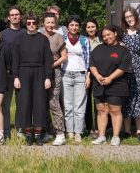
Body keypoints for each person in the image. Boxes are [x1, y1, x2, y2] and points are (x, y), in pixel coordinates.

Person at [13, 12, 53, 146]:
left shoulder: (43, 39)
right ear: (26, 23)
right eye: (29, 23)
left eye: (34, 23)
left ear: (37, 24)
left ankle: (38, 134)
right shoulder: (19, 38)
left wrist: (47, 77)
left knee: (39, 103)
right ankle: (29, 134)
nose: (31, 25)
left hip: (39, 72)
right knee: (25, 103)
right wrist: (16, 77)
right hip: (23, 72)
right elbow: (15, 59)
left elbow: (48, 60)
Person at [89, 25, 132, 146]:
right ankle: (101, 136)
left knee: (115, 110)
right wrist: (97, 76)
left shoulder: (123, 50)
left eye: (108, 34)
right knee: (101, 110)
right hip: (99, 84)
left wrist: (110, 78)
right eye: (104, 36)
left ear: (115, 33)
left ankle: (115, 136)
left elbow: (123, 67)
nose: (106, 37)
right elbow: (91, 63)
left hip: (116, 85)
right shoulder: (98, 48)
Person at [121, 6, 140, 142]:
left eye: (131, 16)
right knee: (127, 98)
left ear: (135, 16)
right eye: (127, 17)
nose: (129, 19)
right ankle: (127, 131)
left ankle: (139, 132)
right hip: (126, 70)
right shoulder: (122, 34)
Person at [62, 15, 90, 143]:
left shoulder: (84, 40)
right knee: (68, 106)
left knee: (79, 106)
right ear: (67, 26)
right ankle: (69, 132)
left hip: (80, 75)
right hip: (65, 75)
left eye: (76, 25)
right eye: (72, 25)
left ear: (79, 27)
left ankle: (78, 132)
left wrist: (87, 76)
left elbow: (88, 61)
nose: (74, 27)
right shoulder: (62, 39)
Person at [40, 12, 68, 146]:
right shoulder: (39, 37)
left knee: (53, 102)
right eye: (48, 22)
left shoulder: (58, 37)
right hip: (40, 74)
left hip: (54, 72)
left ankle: (60, 133)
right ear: (43, 23)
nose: (50, 25)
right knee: (43, 103)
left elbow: (64, 56)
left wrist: (51, 65)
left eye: (52, 22)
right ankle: (48, 131)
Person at [0, 5, 25, 138]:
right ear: (8, 18)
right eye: (12, 15)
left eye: (17, 14)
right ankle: (6, 131)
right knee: (6, 104)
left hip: (22, 73)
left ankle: (20, 129)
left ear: (20, 16)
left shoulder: (26, 33)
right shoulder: (3, 35)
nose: (15, 16)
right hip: (7, 73)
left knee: (21, 103)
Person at [83, 18, 101, 139]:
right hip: (85, 74)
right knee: (87, 102)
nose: (90, 29)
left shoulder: (101, 41)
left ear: (97, 28)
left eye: (93, 26)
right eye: (88, 27)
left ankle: (99, 128)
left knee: (98, 102)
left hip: (98, 74)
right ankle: (89, 128)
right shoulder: (82, 41)